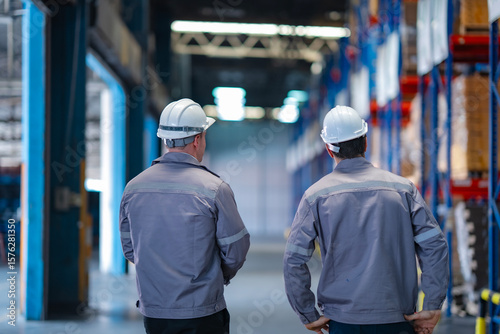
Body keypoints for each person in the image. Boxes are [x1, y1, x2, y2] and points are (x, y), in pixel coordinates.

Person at [283, 105, 449, 334]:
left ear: (329, 149)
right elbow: (435, 245)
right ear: (365, 142)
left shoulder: (315, 196)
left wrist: (307, 313)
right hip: (397, 319)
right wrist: (432, 304)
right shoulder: (404, 189)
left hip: (343, 322)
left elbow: (293, 260)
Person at [120, 98, 250, 334]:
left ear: (165, 139)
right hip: (202, 312)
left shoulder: (133, 188)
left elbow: (130, 249)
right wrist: (214, 277)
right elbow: (236, 250)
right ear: (198, 139)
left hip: (155, 312)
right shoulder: (214, 189)